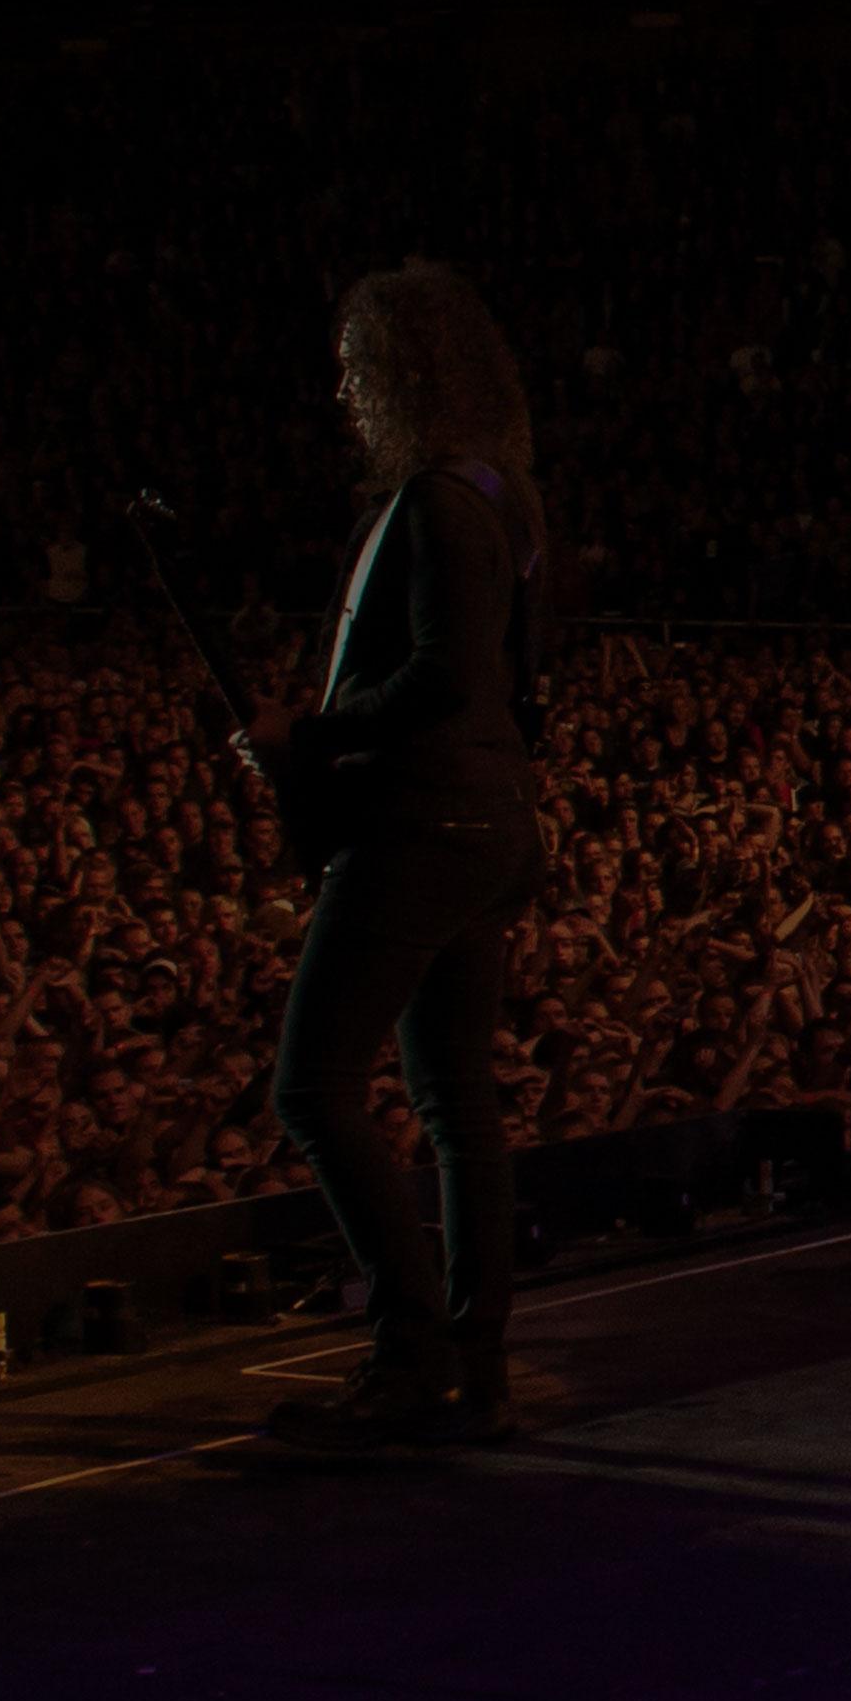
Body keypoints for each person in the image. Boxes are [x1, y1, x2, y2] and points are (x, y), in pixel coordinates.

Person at [236, 266, 550, 1448]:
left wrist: (305, 734)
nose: (343, 392)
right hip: (486, 819)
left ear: (394, 376)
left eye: (353, 371)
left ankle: (411, 1354)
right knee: (457, 1100)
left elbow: (444, 676)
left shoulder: (435, 504)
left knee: (312, 1088)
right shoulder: (504, 492)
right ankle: (474, 1359)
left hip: (424, 823)